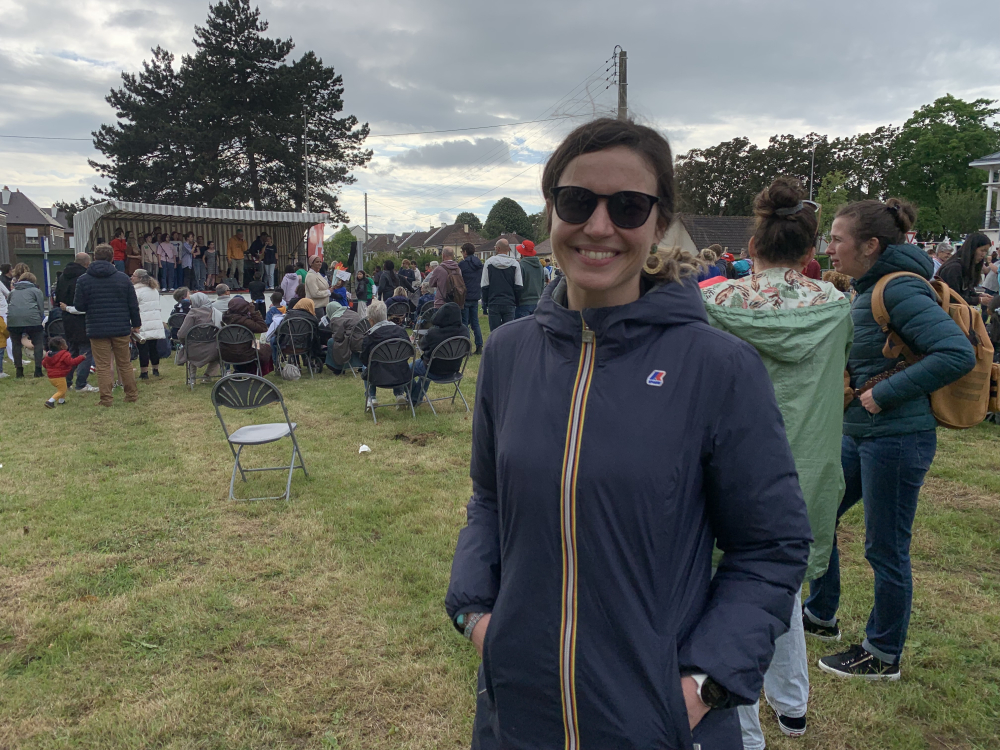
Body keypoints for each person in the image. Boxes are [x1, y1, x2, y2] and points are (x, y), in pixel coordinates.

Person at [445, 117, 812, 749]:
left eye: (629, 206)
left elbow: (771, 548)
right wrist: (477, 612)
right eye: (577, 201)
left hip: (658, 726)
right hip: (519, 717)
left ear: (658, 221)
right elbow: (489, 501)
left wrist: (703, 684)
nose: (598, 226)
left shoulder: (719, 368)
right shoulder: (507, 354)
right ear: (552, 210)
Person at [702, 177, 852, 746]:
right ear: (811, 252)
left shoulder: (712, 304)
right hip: (806, 472)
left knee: (728, 595)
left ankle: (743, 721)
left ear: (750, 246)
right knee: (780, 589)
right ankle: (790, 705)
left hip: (727, 471)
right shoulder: (838, 308)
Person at [809, 198, 976, 680]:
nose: (830, 248)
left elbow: (954, 354)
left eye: (837, 239)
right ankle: (821, 616)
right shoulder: (868, 288)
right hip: (861, 435)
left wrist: (884, 393)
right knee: (818, 514)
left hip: (896, 439)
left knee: (885, 547)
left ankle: (882, 654)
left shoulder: (897, 289)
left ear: (871, 245)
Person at [73, 244, 142, 407]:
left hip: (96, 328)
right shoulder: (123, 278)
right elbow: (133, 304)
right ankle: (131, 395)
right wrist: (136, 324)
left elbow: (79, 306)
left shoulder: (83, 280)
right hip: (121, 327)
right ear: (112, 258)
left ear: (94, 258)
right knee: (124, 363)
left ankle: (106, 399)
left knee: (103, 366)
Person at [409, 301, 469, 403]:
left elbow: (422, 346)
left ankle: (411, 396)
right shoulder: (464, 331)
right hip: (453, 369)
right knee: (426, 367)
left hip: (433, 369)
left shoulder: (434, 333)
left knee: (406, 370)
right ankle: (415, 398)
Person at [55, 252, 98, 393]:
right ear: (87, 264)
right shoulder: (85, 278)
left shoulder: (62, 276)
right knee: (85, 351)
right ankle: (81, 383)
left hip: (67, 318)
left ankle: (67, 381)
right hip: (82, 319)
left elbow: (58, 298)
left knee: (72, 351)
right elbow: (86, 302)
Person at [359, 299, 410, 411]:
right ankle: (400, 394)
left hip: (378, 375)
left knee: (365, 367)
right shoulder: (401, 331)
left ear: (371, 321)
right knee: (398, 361)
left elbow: (364, 359)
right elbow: (409, 351)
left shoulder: (370, 336)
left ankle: (371, 398)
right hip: (400, 373)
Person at [936, 232, 993, 308]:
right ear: (972, 249)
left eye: (986, 251)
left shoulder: (963, 266)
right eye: (982, 250)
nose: (983, 255)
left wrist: (978, 295)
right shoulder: (954, 268)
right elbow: (954, 297)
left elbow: (964, 291)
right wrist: (979, 300)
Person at [7, 271, 46, 377]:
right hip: (32, 320)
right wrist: (39, 319)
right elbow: (40, 307)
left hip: (13, 321)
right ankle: (38, 370)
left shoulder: (13, 292)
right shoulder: (36, 291)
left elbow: (9, 304)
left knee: (16, 345)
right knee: (38, 343)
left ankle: (19, 370)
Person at [221, 296, 273, 375]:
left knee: (255, 344)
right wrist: (253, 313)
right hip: (247, 351)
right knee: (266, 347)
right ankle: (255, 371)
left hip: (227, 352)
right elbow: (263, 328)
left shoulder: (225, 318)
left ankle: (240, 370)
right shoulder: (245, 321)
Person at [176, 292, 222, 380]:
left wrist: (184, 343)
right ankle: (208, 375)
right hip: (214, 350)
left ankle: (192, 377)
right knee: (220, 352)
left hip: (194, 351)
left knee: (189, 348)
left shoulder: (193, 313)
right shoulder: (216, 313)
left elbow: (182, 334)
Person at [480, 238, 523, 330]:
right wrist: (516, 302)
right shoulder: (515, 264)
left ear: (498, 248)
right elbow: (518, 286)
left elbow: (485, 285)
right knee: (508, 333)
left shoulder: (489, 263)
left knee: (495, 333)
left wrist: (485, 303)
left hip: (493, 301)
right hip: (509, 302)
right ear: (508, 249)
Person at [131, 269, 166, 379]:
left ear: (139, 278)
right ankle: (155, 370)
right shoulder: (154, 290)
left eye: (134, 275)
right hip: (154, 321)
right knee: (153, 347)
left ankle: (144, 372)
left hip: (143, 322)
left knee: (143, 349)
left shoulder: (136, 291)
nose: (131, 277)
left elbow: (134, 307)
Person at [41, 337, 85, 409]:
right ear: (62, 346)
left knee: (62, 388)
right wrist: (81, 358)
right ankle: (50, 401)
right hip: (59, 376)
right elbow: (71, 362)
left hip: (51, 377)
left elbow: (43, 363)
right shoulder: (65, 354)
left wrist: (50, 369)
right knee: (62, 390)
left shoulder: (48, 355)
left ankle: (62, 401)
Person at [324, 300, 365, 375]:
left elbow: (338, 337)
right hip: (363, 340)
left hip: (352, 342)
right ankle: (360, 363)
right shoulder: (353, 313)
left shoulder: (336, 318)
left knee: (331, 342)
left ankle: (337, 367)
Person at [459, 242, 484, 354]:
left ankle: (467, 348)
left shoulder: (462, 265)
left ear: (465, 252)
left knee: (464, 323)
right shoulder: (479, 264)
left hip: (465, 296)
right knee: (475, 322)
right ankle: (479, 345)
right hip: (476, 295)